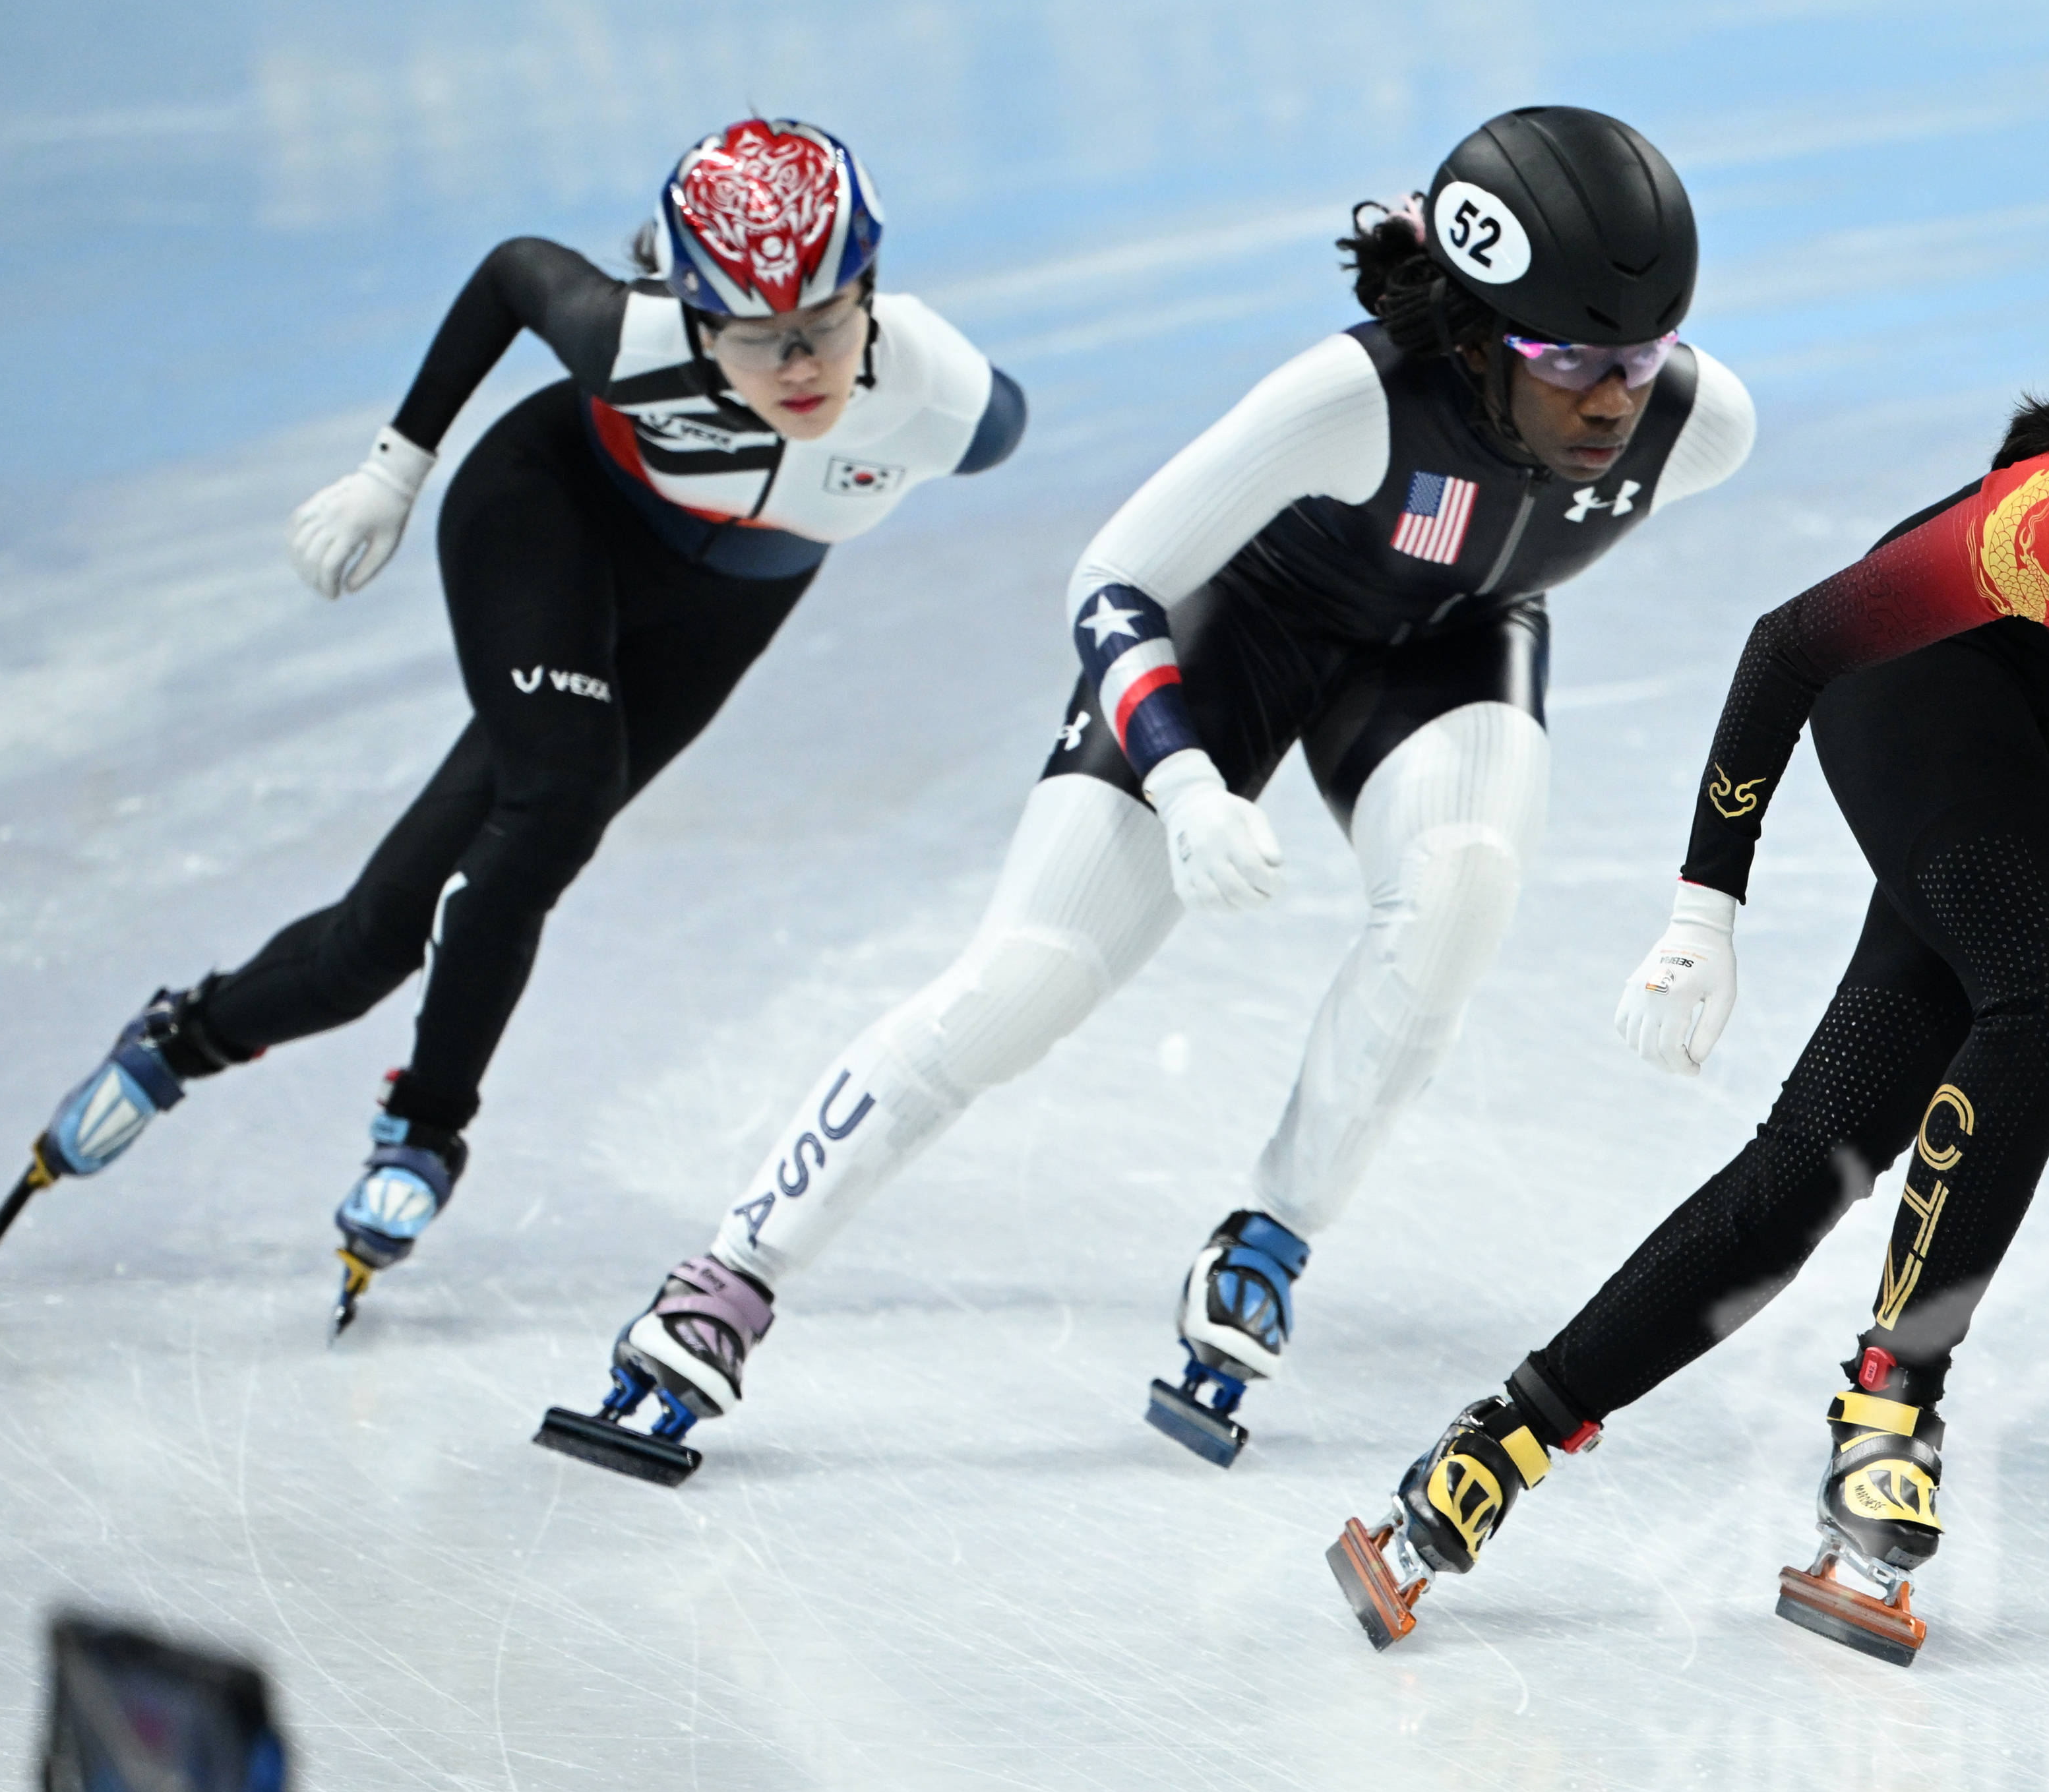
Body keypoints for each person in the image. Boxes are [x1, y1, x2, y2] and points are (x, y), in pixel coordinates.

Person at [535, 106, 1756, 1487]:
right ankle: (727, 1279)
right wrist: (1180, 781)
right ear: (1473, 334)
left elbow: (1513, 520)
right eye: (1569, 358)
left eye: (1642, 356)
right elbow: (1110, 579)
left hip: (1449, 642)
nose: (1613, 400)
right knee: (1032, 976)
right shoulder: (1348, 398)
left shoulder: (1699, 428)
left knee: (1463, 885)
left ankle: (1268, 1244)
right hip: (1233, 633)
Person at [1324, 247, 2049, 1663]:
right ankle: (1893, 1395)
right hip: (1925, 695)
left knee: (1828, 1149)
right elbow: (1792, 643)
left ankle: (1499, 1439)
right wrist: (1707, 907)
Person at [0, 119, 1027, 1338]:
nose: (797, 363)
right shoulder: (632, 342)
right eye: (754, 335)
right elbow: (515, 269)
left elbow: (1002, 426)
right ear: (691, 314)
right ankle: (425, 1129)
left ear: (873, 292)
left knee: (374, 943)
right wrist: (393, 468)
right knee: (559, 799)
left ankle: (180, 1040)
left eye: (828, 324)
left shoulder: (954, 405)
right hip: (552, 518)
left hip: (723, 609)